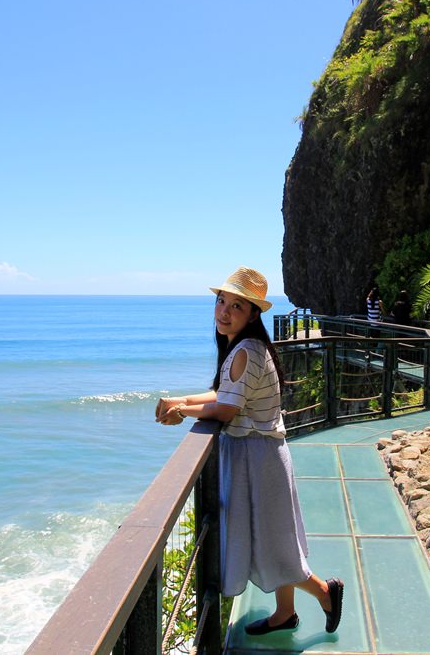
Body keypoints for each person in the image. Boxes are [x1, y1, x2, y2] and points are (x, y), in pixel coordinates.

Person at [155, 266, 344, 636]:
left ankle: (325, 592)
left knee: (276, 543)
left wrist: (182, 412)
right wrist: (181, 401)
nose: (224, 312)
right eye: (221, 301)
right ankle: (285, 614)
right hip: (263, 456)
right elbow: (222, 394)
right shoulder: (247, 347)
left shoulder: (244, 352)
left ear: (254, 313)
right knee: (277, 539)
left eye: (236, 306)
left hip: (258, 460)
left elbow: (225, 410)